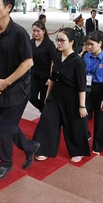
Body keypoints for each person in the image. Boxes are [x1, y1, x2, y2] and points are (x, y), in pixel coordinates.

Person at [0, 0, 40, 181]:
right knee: (8, 125)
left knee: (5, 126)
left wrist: (6, 82)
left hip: (17, 89)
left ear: (8, 8)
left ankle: (6, 163)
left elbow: (28, 63)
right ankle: (30, 147)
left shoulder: (19, 34)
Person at [33, 28, 90, 163]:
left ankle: (78, 151)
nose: (59, 43)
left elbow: (82, 86)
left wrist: (82, 106)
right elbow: (52, 78)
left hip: (72, 97)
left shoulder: (78, 61)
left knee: (73, 125)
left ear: (71, 42)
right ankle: (44, 149)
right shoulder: (57, 57)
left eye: (62, 40)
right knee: (47, 120)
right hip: (55, 95)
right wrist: (47, 96)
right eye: (57, 40)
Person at [83, 31, 103, 155]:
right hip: (87, 90)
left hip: (101, 92)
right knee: (82, 115)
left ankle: (97, 147)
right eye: (87, 45)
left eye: (91, 44)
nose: (89, 47)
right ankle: (85, 135)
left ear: (100, 43)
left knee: (100, 122)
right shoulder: (86, 56)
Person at [30, 21, 58, 112]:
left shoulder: (49, 44)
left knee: (44, 99)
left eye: (38, 31)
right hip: (33, 75)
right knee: (31, 97)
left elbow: (53, 62)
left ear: (44, 31)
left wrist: (50, 78)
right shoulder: (30, 43)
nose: (36, 33)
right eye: (34, 31)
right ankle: (43, 110)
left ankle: (45, 115)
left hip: (45, 77)